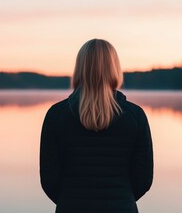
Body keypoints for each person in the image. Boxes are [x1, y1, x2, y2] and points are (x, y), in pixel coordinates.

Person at [39, 38, 154, 213]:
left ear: (79, 68)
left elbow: (49, 179)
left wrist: (70, 200)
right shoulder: (135, 116)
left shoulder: (56, 115)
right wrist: (121, 198)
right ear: (114, 68)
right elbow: (143, 179)